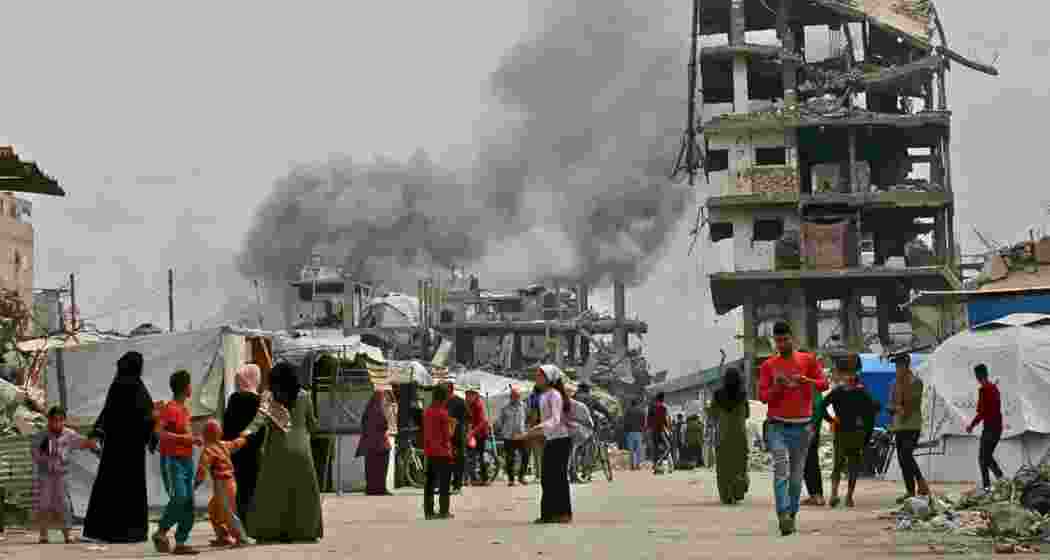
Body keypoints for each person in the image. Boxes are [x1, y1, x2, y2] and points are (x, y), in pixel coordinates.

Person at [758, 320, 828, 536]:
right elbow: (763, 397)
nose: (781, 344)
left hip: (803, 427)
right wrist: (777, 387)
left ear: (792, 338)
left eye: (785, 339)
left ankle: (792, 515)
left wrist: (805, 379)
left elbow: (824, 384)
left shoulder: (808, 360)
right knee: (781, 471)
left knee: (796, 476)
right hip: (776, 425)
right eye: (778, 341)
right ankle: (783, 515)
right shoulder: (768, 366)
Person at [240, 361, 323, 543]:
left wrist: (243, 435)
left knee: (273, 493)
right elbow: (313, 425)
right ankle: (304, 531)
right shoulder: (305, 396)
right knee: (303, 493)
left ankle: (272, 531)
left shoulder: (269, 396)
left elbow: (258, 421)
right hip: (302, 450)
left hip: (276, 451)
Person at [83, 351, 158, 544]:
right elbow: (149, 417)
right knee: (131, 489)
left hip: (115, 449)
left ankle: (104, 531)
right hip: (132, 450)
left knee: (110, 487)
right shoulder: (139, 388)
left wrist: (97, 433)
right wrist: (152, 436)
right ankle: (131, 532)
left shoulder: (117, 386)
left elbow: (107, 413)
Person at [152, 369, 204, 555]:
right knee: (180, 498)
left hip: (187, 461)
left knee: (189, 503)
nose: (191, 387)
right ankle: (161, 531)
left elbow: (185, 435)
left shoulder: (184, 410)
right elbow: (159, 433)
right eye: (190, 384)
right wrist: (187, 439)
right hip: (172, 460)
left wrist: (193, 439)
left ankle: (181, 542)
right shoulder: (170, 408)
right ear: (185, 387)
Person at [32, 406, 99, 544]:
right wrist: (45, 457)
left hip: (61, 475)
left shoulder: (69, 434)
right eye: (54, 420)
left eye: (60, 420)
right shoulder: (41, 435)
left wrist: (92, 444)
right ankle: (43, 535)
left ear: (64, 420)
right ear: (49, 420)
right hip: (45, 475)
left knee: (64, 504)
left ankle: (67, 535)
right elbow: (34, 453)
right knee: (44, 504)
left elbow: (82, 442)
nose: (57, 423)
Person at [820, 354, 879, 508]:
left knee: (840, 465)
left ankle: (837, 495)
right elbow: (872, 411)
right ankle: (846, 497)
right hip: (853, 434)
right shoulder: (861, 392)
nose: (850, 376)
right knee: (851, 465)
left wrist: (831, 420)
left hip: (844, 433)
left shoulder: (842, 391)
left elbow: (822, 407)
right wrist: (866, 432)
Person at [520, 364, 573, 524]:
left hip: (561, 440)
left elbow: (556, 419)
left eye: (540, 376)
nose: (536, 378)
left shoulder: (554, 395)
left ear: (549, 378)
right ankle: (549, 514)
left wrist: (537, 428)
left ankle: (563, 514)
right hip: (551, 439)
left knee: (559, 478)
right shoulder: (543, 395)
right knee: (547, 478)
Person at [194, 419, 251, 547]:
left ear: (205, 435)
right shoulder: (223, 444)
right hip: (229, 482)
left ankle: (241, 538)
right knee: (213, 509)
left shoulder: (208, 450)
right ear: (219, 433)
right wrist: (244, 436)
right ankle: (223, 536)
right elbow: (236, 443)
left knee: (228, 513)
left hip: (222, 484)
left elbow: (202, 469)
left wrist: (195, 485)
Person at [223, 364, 264, 526]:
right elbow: (260, 429)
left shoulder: (234, 398)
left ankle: (237, 523)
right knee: (251, 487)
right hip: (253, 451)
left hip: (235, 450)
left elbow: (226, 426)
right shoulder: (259, 400)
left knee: (237, 488)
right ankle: (251, 523)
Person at [887, 353, 930, 503]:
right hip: (899, 425)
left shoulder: (916, 382)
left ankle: (921, 482)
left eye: (899, 365)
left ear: (906, 365)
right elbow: (891, 404)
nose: (897, 368)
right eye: (896, 366)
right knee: (901, 459)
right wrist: (893, 410)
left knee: (906, 454)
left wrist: (899, 408)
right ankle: (910, 491)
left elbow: (912, 404)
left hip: (912, 424)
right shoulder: (894, 383)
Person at [709, 368, 750, 505]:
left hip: (723, 436)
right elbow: (747, 414)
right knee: (739, 465)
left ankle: (726, 495)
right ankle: (737, 491)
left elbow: (712, 415)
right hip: (739, 436)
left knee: (723, 468)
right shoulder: (742, 394)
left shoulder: (717, 395)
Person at [966, 364, 1004, 493]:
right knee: (987, 456)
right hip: (997, 427)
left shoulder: (984, 390)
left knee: (983, 457)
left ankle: (988, 486)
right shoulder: (994, 388)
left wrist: (971, 425)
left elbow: (982, 412)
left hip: (989, 428)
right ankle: (1001, 479)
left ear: (978, 376)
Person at [423, 384, 456, 519]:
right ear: (444, 398)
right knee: (444, 484)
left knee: (429, 483)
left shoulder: (427, 412)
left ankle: (429, 512)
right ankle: (444, 511)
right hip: (443, 453)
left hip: (430, 452)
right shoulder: (443, 414)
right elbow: (448, 435)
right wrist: (453, 424)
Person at [357, 386, 393, 496]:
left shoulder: (369, 408)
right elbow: (384, 424)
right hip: (380, 444)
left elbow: (363, 422)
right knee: (381, 467)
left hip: (369, 444)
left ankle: (371, 488)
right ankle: (380, 488)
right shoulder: (379, 408)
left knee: (371, 467)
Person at [801, 368, 826, 507]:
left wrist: (812, 427)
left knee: (810, 462)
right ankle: (814, 495)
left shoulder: (811, 386)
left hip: (809, 429)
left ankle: (817, 495)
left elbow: (818, 407)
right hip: (806, 428)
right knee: (807, 462)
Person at [495, 386, 529, 486]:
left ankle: (521, 476)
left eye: (518, 395)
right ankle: (511, 479)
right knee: (510, 458)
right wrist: (500, 430)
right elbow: (500, 421)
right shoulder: (505, 407)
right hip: (508, 436)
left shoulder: (524, 406)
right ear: (511, 396)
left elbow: (526, 419)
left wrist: (526, 431)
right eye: (514, 395)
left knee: (526, 455)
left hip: (521, 435)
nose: (516, 397)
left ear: (520, 396)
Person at [445, 382, 470, 492]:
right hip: (447, 435)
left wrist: (467, 433)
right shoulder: (444, 402)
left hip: (459, 435)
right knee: (448, 460)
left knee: (459, 460)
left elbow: (468, 418)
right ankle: (449, 484)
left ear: (450, 390)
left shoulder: (459, 402)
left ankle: (457, 485)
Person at [465, 387, 491, 486]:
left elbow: (482, 422)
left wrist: (471, 433)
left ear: (475, 395)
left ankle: (485, 478)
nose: (467, 397)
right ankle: (472, 478)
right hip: (473, 433)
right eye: (466, 395)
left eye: (469, 395)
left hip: (481, 434)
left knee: (480, 456)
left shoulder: (478, 405)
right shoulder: (468, 405)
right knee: (470, 456)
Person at [526, 385, 545, 481]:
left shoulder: (531, 398)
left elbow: (528, 413)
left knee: (537, 453)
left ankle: (539, 475)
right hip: (546, 428)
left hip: (535, 427)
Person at [623, 399, 647, 470]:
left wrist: (625, 431)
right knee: (638, 450)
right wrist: (643, 431)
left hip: (630, 433)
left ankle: (632, 466)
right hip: (639, 432)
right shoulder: (641, 411)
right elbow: (643, 422)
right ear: (637, 404)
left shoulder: (628, 411)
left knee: (631, 450)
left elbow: (625, 422)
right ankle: (638, 465)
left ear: (631, 404)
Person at [650, 393, 670, 474]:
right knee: (668, 447)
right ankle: (659, 463)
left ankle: (656, 468)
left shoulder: (651, 408)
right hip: (660, 431)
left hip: (653, 431)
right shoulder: (663, 408)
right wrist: (668, 429)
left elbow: (649, 421)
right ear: (662, 400)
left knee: (656, 450)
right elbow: (665, 420)